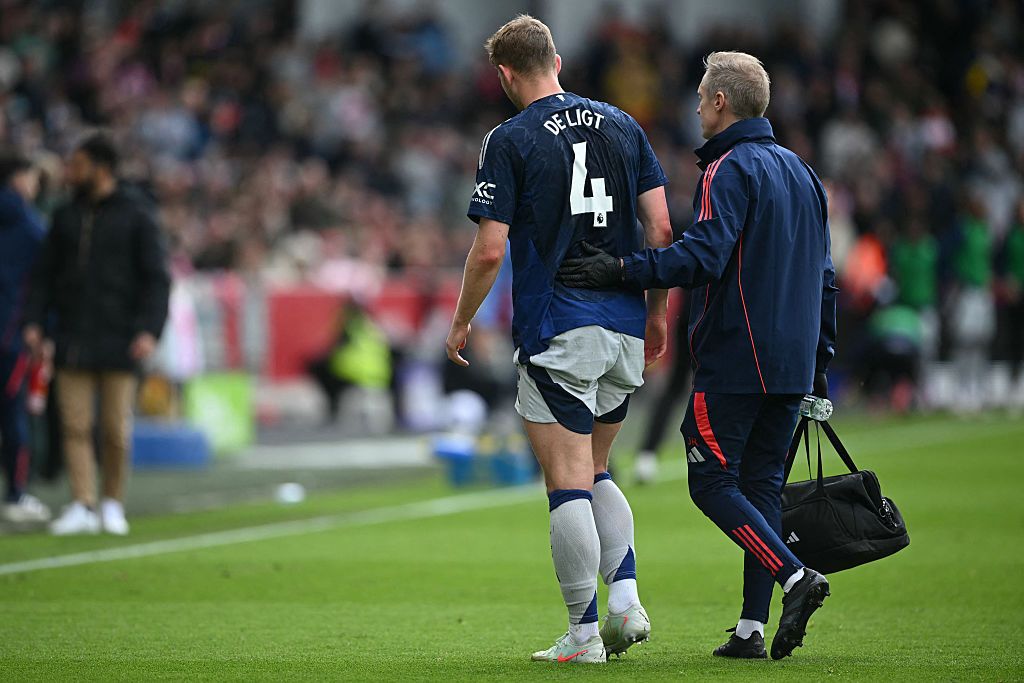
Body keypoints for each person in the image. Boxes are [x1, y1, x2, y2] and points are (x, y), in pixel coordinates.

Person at [558, 51, 838, 661]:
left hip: (739, 355)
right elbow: (826, 279)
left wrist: (624, 268)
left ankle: (795, 577)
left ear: (719, 102)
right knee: (762, 486)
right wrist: (820, 365)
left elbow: (704, 257)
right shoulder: (803, 173)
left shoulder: (728, 168)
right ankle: (750, 630)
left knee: (710, 479)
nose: (695, 106)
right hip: (791, 364)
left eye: (700, 96)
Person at [444, 15, 672, 664]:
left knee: (568, 479)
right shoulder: (626, 126)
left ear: (505, 75)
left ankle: (584, 634)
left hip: (559, 325)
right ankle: (625, 598)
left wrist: (461, 319)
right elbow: (660, 228)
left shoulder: (509, 139)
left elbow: (490, 249)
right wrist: (656, 313)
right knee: (598, 468)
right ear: (560, 60)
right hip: (625, 323)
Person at [23, 133, 170, 536]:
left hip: (121, 337)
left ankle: (112, 502)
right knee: (74, 425)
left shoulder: (137, 214)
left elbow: (157, 279)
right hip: (72, 337)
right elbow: (44, 278)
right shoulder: (66, 217)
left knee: (115, 430)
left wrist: (149, 329)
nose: (71, 172)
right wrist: (35, 321)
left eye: (78, 164)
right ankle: (83, 502)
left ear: (101, 168)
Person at [0, 151, 51, 523]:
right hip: (10, 336)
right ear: (18, 178)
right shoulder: (33, 229)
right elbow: (47, 286)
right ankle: (16, 496)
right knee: (13, 414)